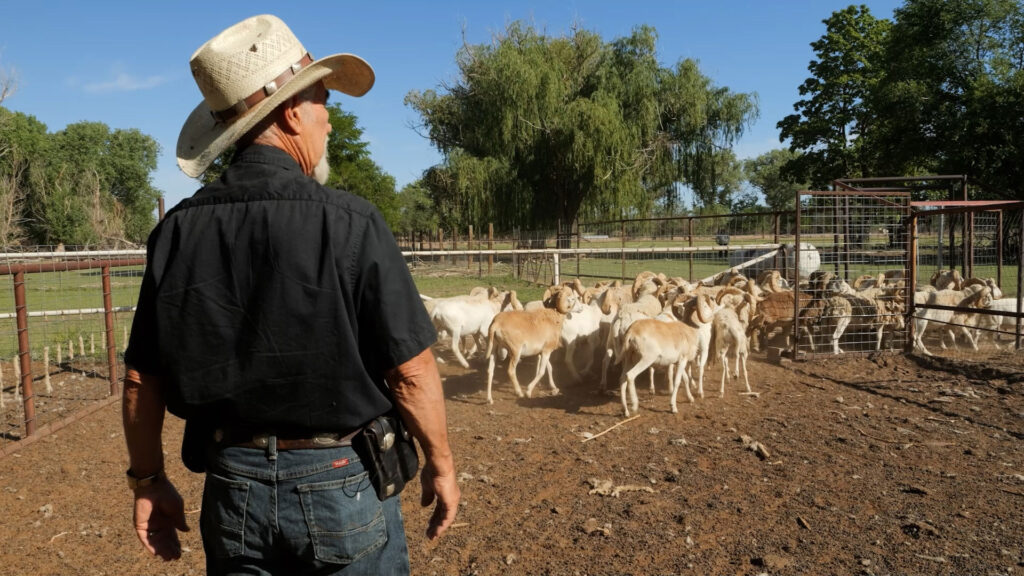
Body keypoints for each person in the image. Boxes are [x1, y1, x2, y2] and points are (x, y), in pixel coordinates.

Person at [121, 14, 459, 575]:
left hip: (232, 486)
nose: (328, 120)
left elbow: (140, 379)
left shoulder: (176, 231)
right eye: (323, 100)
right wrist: (441, 465)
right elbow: (411, 371)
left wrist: (148, 480)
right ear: (292, 111)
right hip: (342, 480)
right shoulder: (352, 222)